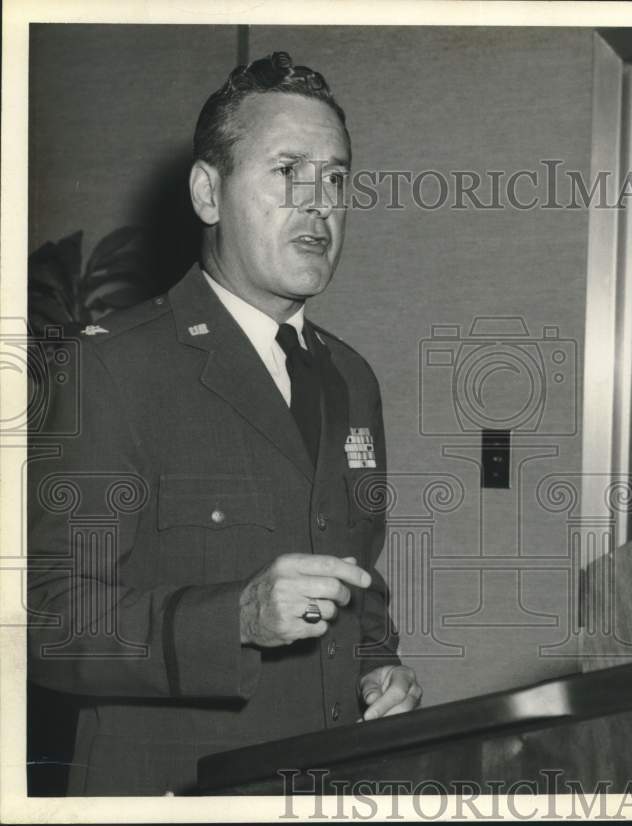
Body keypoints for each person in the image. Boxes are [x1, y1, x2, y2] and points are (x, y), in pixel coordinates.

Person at [27, 51, 421, 796]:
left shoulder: (351, 377)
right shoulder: (110, 369)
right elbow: (43, 618)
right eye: (288, 171)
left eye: (336, 179)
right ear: (208, 193)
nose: (319, 204)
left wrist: (378, 667)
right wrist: (232, 618)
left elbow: (356, 575)